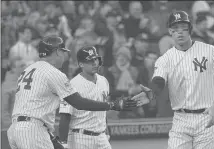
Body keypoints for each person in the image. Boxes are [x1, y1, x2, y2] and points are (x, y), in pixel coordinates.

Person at [7, 35, 138, 149]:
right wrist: (112, 105)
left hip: (16, 129)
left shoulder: (28, 69)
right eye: (63, 52)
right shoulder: (53, 72)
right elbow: (78, 103)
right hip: (33, 130)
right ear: (57, 51)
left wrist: (52, 138)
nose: (65, 56)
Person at [132, 11, 214, 149]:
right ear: (170, 31)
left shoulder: (209, 51)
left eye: (183, 28)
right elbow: (158, 81)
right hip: (181, 118)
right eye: (175, 29)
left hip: (207, 115)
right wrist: (151, 92)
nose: (179, 32)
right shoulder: (165, 58)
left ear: (190, 29)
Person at [58, 46, 112, 149]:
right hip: (80, 138)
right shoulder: (71, 85)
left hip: (101, 137)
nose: (95, 63)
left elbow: (103, 109)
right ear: (81, 64)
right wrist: (63, 142)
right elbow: (65, 117)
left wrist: (106, 130)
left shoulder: (104, 81)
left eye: (95, 59)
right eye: (90, 61)